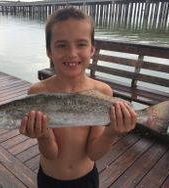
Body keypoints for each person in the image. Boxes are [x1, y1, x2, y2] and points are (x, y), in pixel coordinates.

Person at [19, 7, 137, 188]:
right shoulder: (38, 92)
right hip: (49, 179)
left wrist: (112, 132)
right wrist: (42, 136)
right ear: (49, 51)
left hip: (87, 179)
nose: (72, 53)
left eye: (81, 44)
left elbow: (94, 153)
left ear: (92, 50)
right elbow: (51, 153)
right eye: (61, 45)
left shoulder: (103, 91)